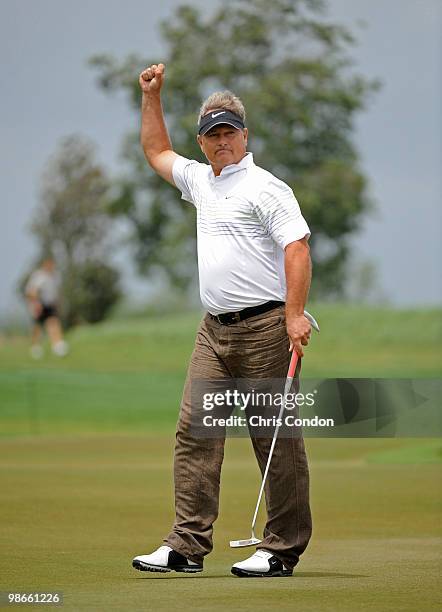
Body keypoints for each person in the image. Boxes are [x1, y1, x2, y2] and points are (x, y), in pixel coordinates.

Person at [132, 63, 312, 578]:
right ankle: (187, 545)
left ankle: (282, 548)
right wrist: (152, 96)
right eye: (213, 135)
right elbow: (156, 152)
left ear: (244, 135)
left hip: (265, 329)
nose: (221, 142)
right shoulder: (200, 181)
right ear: (203, 141)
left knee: (272, 439)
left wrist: (295, 314)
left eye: (229, 132)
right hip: (214, 330)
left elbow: (297, 248)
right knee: (195, 432)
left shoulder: (266, 187)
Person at [25, 258, 69, 358]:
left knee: (53, 321)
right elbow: (32, 291)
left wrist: (57, 303)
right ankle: (35, 347)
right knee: (38, 326)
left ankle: (57, 345)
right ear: (45, 265)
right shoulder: (39, 276)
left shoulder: (56, 276)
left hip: (49, 304)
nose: (51, 267)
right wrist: (36, 304)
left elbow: (55, 292)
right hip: (38, 304)